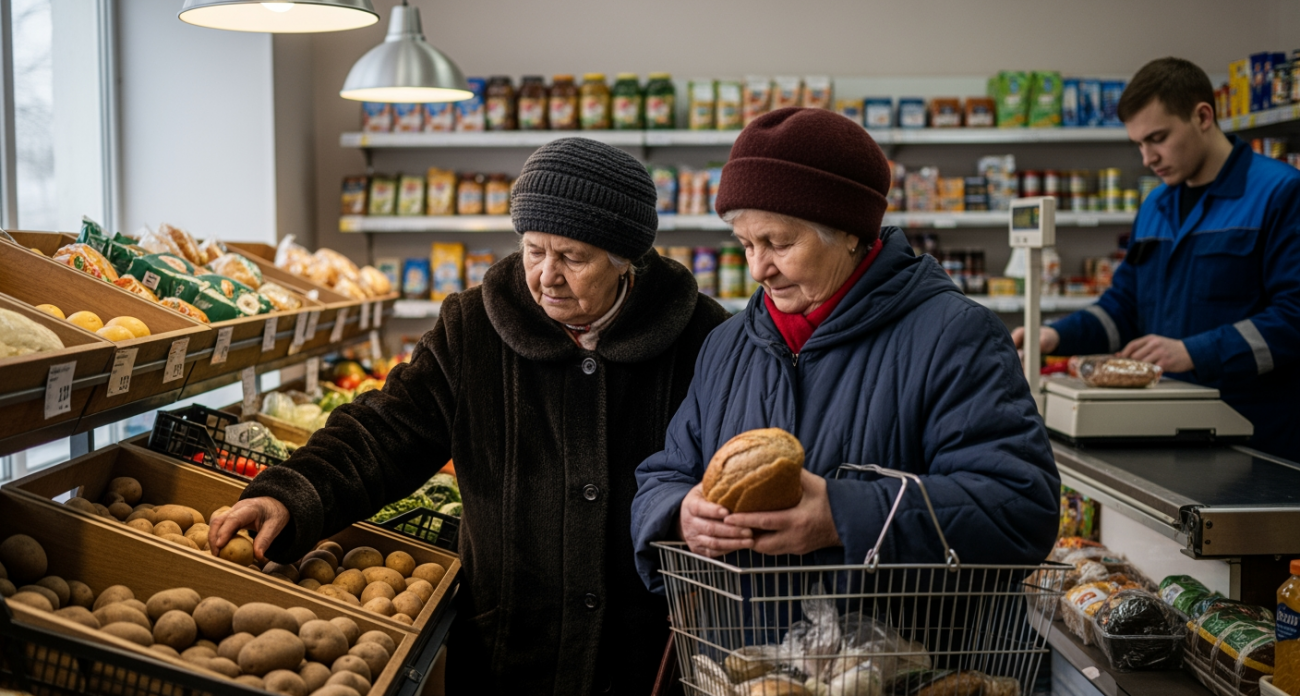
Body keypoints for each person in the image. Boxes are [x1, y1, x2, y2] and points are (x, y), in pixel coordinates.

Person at [208, 138, 731, 695]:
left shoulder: (701, 337)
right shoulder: (473, 327)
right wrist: (291, 492)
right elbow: (388, 429)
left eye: (572, 257)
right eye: (534, 250)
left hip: (646, 653)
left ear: (626, 259)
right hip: (508, 651)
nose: (546, 276)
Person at [631, 108, 1060, 586]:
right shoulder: (727, 345)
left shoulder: (956, 337)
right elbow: (665, 475)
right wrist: (679, 513)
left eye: (778, 242)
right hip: (747, 657)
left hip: (900, 655)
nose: (758, 269)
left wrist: (844, 517)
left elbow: (1020, 509)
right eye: (745, 244)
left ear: (851, 231)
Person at [1014, 58, 1300, 462]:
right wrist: (1056, 337)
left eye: (1158, 138)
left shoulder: (1280, 193)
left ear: (1203, 116)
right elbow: (1123, 307)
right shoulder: (1156, 205)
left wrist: (1194, 352)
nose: (1147, 157)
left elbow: (1294, 316)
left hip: (1258, 442)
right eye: (1139, 144)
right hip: (1165, 430)